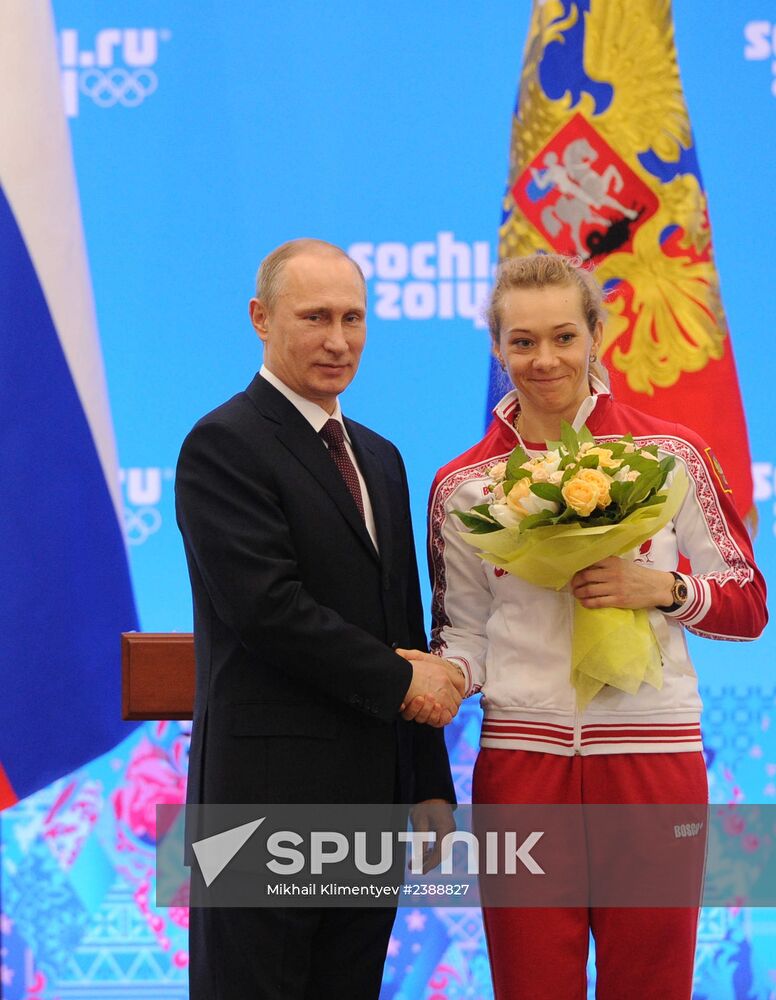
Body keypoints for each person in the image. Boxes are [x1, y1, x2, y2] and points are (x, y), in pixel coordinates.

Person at [400, 254, 768, 999]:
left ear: (597, 335)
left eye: (564, 336)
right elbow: (466, 634)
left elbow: (750, 606)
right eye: (523, 342)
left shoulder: (671, 455)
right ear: (496, 347)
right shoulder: (461, 484)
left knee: (651, 984)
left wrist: (659, 587)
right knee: (531, 985)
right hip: (522, 767)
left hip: (652, 759)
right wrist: (444, 674)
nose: (545, 360)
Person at [175, 238, 463, 1000]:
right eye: (315, 318)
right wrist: (406, 679)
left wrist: (430, 782)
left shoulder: (381, 456)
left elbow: (403, 618)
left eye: (354, 318)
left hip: (367, 801)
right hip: (261, 804)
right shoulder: (223, 444)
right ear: (260, 319)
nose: (338, 340)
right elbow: (269, 611)